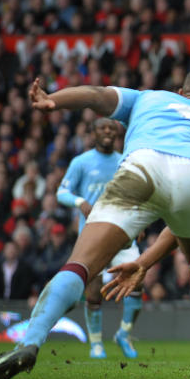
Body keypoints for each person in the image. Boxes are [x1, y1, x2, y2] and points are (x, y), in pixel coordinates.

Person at [0, 69, 190, 379]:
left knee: (80, 265)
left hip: (142, 166)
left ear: (180, 91)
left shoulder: (150, 97)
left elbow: (96, 95)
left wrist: (53, 99)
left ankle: (28, 344)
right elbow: (185, 221)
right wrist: (144, 263)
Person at [56, 118, 143, 359]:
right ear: (93, 132)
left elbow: (134, 194)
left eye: (111, 129)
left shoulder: (125, 161)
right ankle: (96, 344)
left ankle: (124, 334)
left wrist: (139, 218)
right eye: (102, 128)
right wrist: (80, 201)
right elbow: (61, 191)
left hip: (123, 234)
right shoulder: (81, 162)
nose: (107, 131)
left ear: (116, 134)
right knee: (93, 292)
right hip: (93, 235)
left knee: (137, 283)